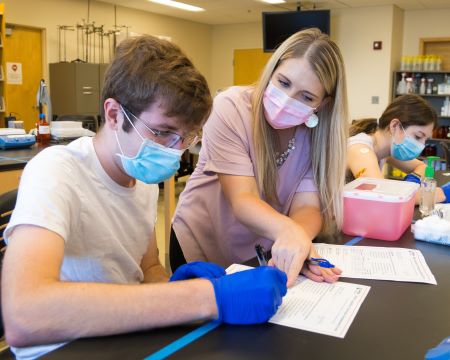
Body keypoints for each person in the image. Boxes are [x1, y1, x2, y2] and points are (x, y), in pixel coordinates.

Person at [1, 35, 288, 360]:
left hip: (122, 336)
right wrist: (205, 297)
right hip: (63, 347)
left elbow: (147, 266)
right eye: (163, 132)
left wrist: (171, 284)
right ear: (113, 114)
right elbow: (24, 315)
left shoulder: (141, 177)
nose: (174, 151)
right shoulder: (56, 172)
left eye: (187, 137)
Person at [171, 28, 348, 288]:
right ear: (271, 70)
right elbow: (243, 200)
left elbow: (307, 207)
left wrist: (297, 243)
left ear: (322, 104)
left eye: (306, 96)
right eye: (283, 83)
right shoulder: (230, 107)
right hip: (203, 243)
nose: (287, 100)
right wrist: (291, 235)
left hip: (262, 250)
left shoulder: (316, 136)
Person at [347, 94, 450, 203]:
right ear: (395, 126)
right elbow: (381, 197)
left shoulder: (386, 150)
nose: (422, 145)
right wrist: (441, 194)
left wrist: (411, 183)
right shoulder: (360, 150)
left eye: (425, 139)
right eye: (418, 136)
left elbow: (421, 166)